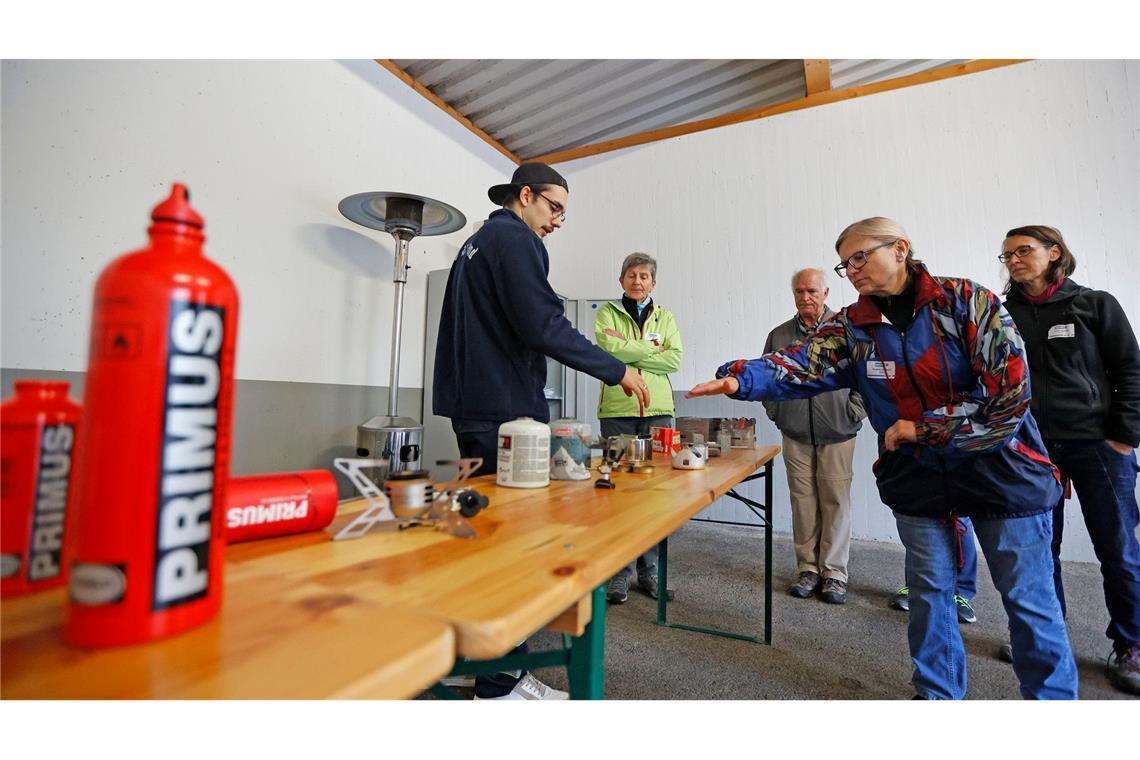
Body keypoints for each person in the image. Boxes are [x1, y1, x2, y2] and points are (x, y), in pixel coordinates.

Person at [687, 216, 1078, 700]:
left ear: (900, 249)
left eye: (860, 257)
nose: (851, 270)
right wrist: (741, 378)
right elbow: (802, 363)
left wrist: (925, 428)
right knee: (930, 593)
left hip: (1000, 468)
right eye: (844, 264)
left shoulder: (965, 300)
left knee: (1028, 599)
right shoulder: (854, 324)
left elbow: (1009, 395)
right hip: (917, 473)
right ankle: (936, 695)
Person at [433, 162, 649, 700]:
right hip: (503, 412)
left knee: (481, 539)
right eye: (554, 208)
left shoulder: (477, 244)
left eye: (563, 215)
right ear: (525, 195)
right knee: (511, 549)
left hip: (473, 406)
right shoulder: (515, 240)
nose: (557, 221)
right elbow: (544, 324)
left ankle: (470, 660)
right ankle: (501, 683)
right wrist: (617, 370)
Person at [1001, 224, 1140, 696]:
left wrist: (1123, 438)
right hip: (1033, 449)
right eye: (1007, 256)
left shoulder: (1094, 304)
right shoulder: (1004, 314)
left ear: (1055, 252)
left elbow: (1130, 370)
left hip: (1097, 446)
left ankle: (1132, 643)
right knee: (1040, 551)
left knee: (1118, 550)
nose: (1014, 261)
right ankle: (1047, 635)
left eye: (1023, 250)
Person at [762, 268, 865, 604]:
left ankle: (834, 572)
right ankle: (807, 568)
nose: (805, 297)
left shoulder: (846, 331)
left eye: (812, 291)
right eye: (799, 291)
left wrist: (853, 411)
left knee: (835, 501)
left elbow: (867, 376)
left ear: (826, 293)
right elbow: (767, 381)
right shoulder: (779, 335)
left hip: (838, 431)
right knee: (803, 502)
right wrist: (778, 413)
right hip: (795, 433)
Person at [595, 252, 683, 604]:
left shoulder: (666, 317)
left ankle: (651, 572)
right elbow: (607, 350)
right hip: (618, 410)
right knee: (618, 493)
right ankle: (619, 574)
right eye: (631, 275)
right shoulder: (606, 313)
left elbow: (674, 359)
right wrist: (650, 348)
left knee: (656, 496)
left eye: (644, 276)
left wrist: (629, 349)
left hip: (658, 412)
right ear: (622, 280)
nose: (637, 281)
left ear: (653, 283)